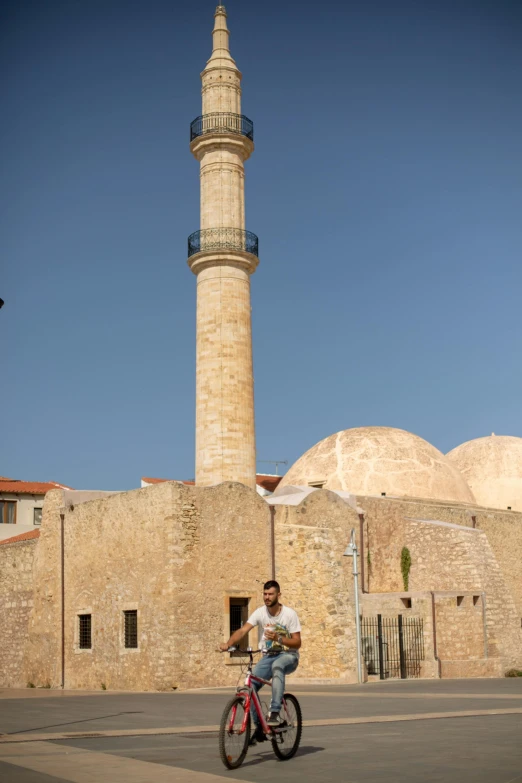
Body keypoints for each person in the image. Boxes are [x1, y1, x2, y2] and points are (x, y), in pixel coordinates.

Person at [220, 580, 301, 743]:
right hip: (268, 656)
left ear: (278, 595)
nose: (267, 597)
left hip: (289, 656)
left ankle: (275, 712)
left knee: (278, 666)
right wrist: (228, 644)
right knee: (250, 686)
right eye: (265, 594)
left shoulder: (289, 614)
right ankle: (260, 727)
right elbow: (243, 630)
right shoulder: (260, 612)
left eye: (270, 594)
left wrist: (279, 638)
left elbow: (297, 642)